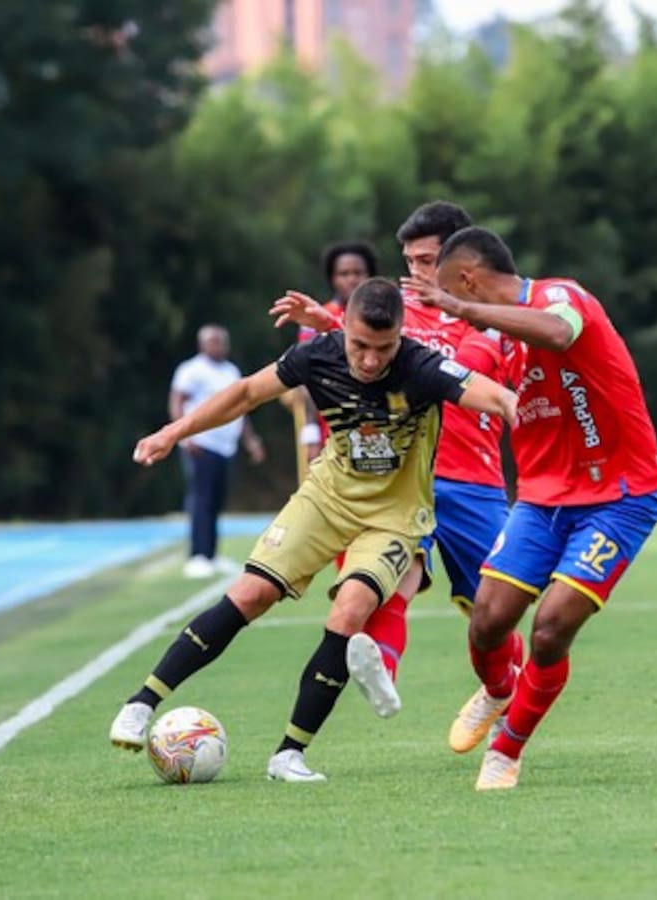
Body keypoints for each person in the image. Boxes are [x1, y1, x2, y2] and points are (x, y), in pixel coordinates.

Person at [110, 278, 518, 783]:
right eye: (360, 346)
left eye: (384, 348)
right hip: (327, 498)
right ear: (343, 329)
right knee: (251, 593)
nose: (371, 360)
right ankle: (141, 703)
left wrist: (527, 422)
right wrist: (172, 432)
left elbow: (497, 397)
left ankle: (289, 754)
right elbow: (245, 393)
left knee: (351, 608)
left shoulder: (423, 366)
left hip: (394, 517)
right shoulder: (317, 355)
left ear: (401, 336)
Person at [403, 226, 657, 790]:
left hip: (617, 500)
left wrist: (461, 310)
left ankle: (506, 750)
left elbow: (559, 334)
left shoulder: (561, 297)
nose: (454, 312)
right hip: (542, 499)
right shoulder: (493, 337)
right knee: (487, 620)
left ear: (467, 280)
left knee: (551, 628)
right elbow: (452, 367)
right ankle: (497, 691)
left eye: (450, 293)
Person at [270, 202, 523, 718]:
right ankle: (383, 668)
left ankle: (503, 688)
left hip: (474, 480)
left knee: (492, 615)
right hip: (404, 476)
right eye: (409, 261)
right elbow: (366, 352)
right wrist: (330, 325)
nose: (415, 273)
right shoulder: (399, 309)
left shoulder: (497, 315)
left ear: (463, 260)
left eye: (426, 261)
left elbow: (483, 378)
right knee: (392, 579)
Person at [169, 325, 267, 578]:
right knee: (201, 498)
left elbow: (241, 408)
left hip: (226, 446)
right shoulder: (191, 370)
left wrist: (250, 440)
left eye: (222, 341)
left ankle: (211, 553)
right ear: (202, 344)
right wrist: (183, 435)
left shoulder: (231, 371)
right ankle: (198, 554)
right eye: (214, 341)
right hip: (202, 443)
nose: (220, 346)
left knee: (217, 500)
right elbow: (177, 401)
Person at [293, 242, 379, 470]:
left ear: (370, 276)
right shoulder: (316, 318)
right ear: (332, 278)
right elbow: (308, 378)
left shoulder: (387, 315)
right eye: (344, 273)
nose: (352, 279)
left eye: (358, 273)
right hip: (332, 422)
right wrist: (310, 432)